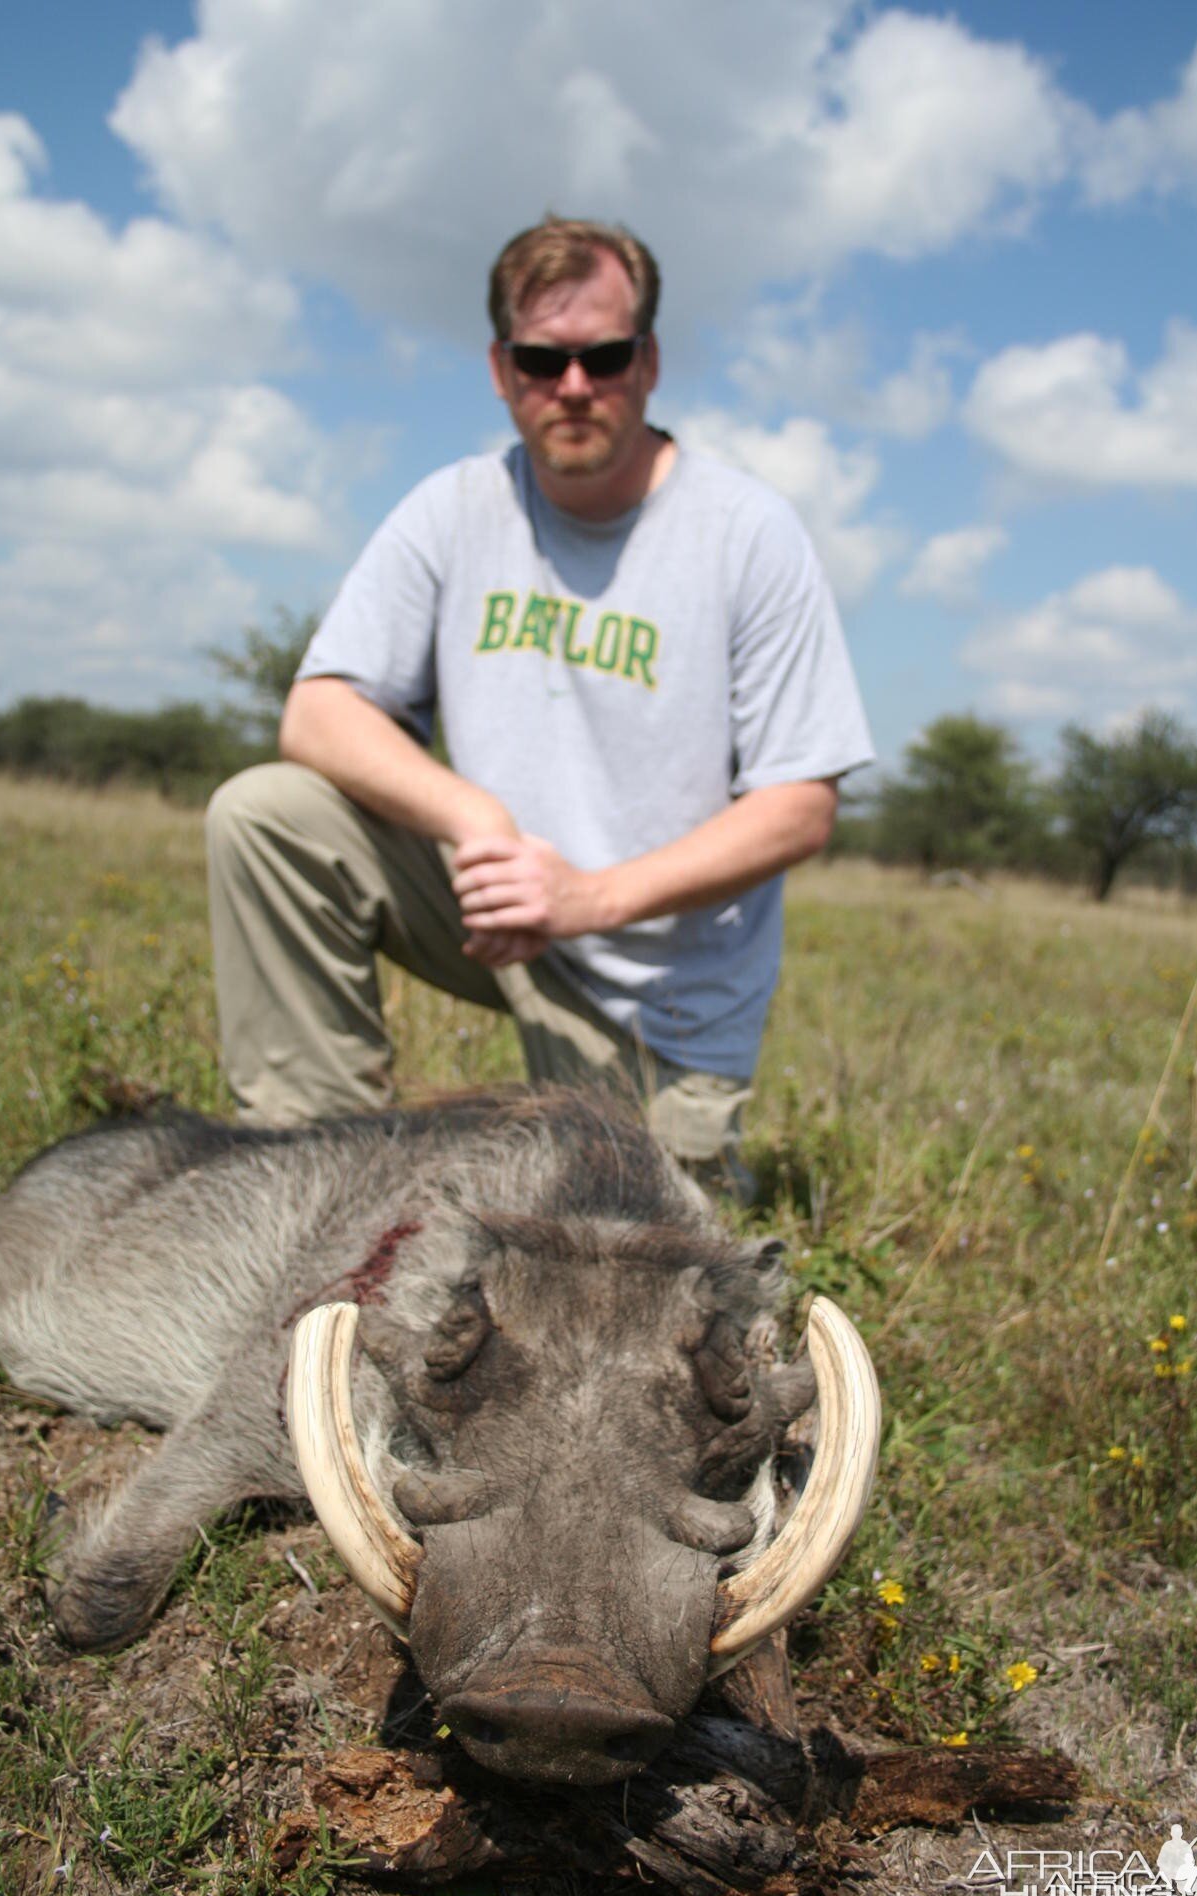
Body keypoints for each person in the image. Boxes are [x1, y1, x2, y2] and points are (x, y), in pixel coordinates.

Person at [205, 217, 873, 1194]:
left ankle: (671, 1147)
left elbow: (799, 806)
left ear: (647, 363)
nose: (572, 386)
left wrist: (586, 899)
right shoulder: (454, 507)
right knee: (264, 816)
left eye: (602, 357)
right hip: (493, 906)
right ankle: (309, 1167)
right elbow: (317, 713)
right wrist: (477, 821)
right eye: (540, 359)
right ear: (498, 369)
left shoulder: (746, 534)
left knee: (614, 1259)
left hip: (655, 992)